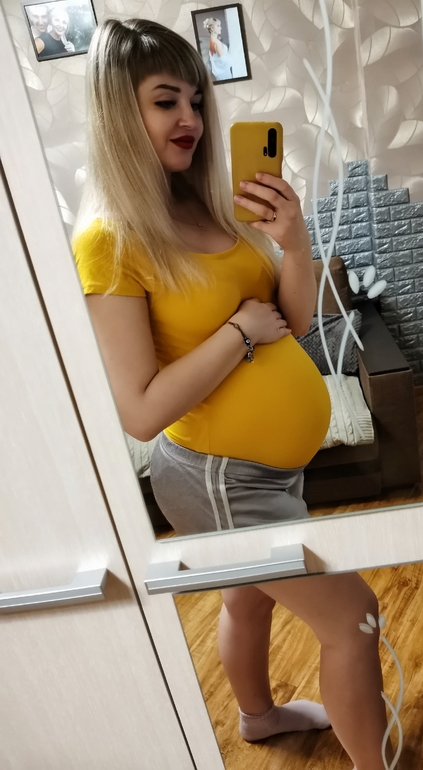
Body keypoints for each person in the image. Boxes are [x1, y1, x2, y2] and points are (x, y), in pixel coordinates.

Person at [73, 19, 394, 770]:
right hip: (220, 478)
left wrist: (294, 241)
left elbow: (296, 320)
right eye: (164, 101)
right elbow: (141, 411)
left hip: (266, 471)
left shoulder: (210, 203)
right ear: (117, 113)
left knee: (248, 596)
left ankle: (257, 717)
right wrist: (237, 334)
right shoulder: (109, 241)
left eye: (195, 99)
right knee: (354, 617)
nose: (189, 116)